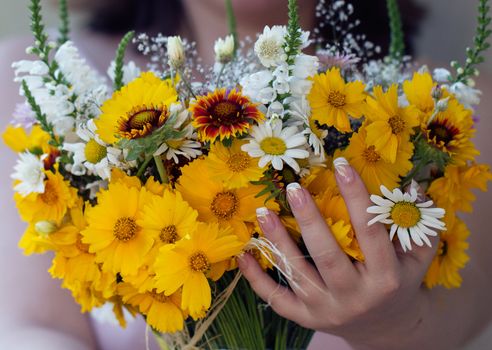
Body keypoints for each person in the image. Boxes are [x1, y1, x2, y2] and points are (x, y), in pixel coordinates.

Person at [0, 1, 491, 349]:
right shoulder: (39, 84)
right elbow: (30, 329)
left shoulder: (442, 111)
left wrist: (390, 325)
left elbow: (459, 322)